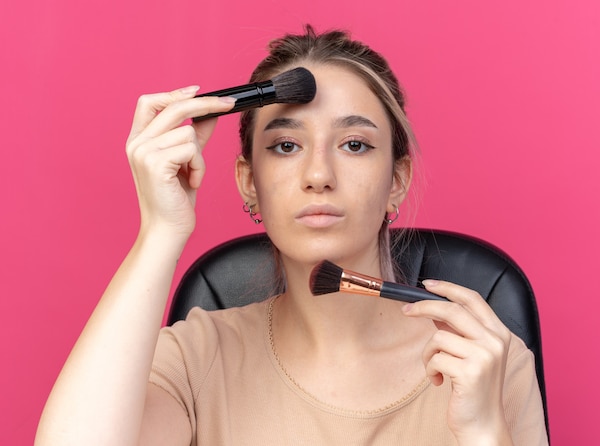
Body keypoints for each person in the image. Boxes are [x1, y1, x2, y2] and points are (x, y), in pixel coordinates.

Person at [35, 26, 548, 445]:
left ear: (397, 181)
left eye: (353, 144)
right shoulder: (196, 357)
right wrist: (160, 232)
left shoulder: (487, 361)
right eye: (284, 146)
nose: (317, 173)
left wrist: (484, 432)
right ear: (248, 182)